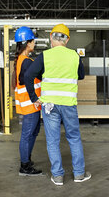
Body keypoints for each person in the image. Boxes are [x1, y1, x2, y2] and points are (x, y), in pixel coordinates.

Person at [24, 24, 91, 186]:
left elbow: (28, 75)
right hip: (68, 104)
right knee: (74, 138)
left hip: (49, 106)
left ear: (51, 38)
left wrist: (34, 98)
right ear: (67, 40)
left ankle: (58, 175)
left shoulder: (44, 56)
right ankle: (79, 174)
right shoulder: (75, 56)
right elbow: (81, 76)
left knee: (52, 141)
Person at [12, 26, 43, 176]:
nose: (34, 43)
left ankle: (27, 160)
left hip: (31, 105)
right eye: (33, 41)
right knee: (27, 134)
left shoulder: (22, 60)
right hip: (31, 104)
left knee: (32, 133)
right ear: (28, 43)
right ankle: (24, 166)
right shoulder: (26, 62)